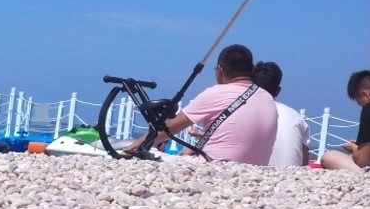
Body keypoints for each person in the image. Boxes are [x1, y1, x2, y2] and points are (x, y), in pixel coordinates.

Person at [131, 44, 277, 164]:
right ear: (251, 69)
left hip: (215, 167)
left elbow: (165, 131)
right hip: (255, 170)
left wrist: (131, 148)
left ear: (219, 70)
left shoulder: (217, 93)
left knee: (147, 157)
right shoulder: (268, 98)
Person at [251, 61, 310, 167]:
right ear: (278, 91)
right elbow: (304, 163)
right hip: (293, 175)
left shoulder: (244, 113)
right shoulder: (296, 117)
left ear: (251, 87)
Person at [318, 70, 370, 171]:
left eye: (359, 103)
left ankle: (364, 175)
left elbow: (362, 160)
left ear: (365, 94)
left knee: (329, 156)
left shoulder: (369, 108)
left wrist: (354, 148)